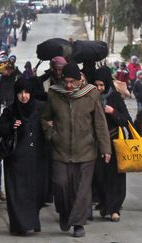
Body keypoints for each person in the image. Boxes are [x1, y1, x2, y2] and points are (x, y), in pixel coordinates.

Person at [41, 62, 111, 238]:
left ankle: (78, 223)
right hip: (60, 150)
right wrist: (51, 134)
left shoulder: (91, 94)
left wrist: (105, 148)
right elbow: (45, 118)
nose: (69, 85)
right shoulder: (54, 94)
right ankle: (65, 215)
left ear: (80, 80)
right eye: (66, 81)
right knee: (60, 185)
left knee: (82, 190)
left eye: (73, 81)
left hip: (86, 151)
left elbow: (100, 123)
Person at [0, 79, 48, 235]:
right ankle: (20, 225)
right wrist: (11, 126)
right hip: (16, 159)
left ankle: (33, 222)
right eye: (20, 93)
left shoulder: (41, 108)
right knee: (17, 193)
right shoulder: (11, 111)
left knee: (36, 192)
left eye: (26, 92)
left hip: (37, 158)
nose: (24, 96)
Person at [93, 66, 131, 222]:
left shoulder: (115, 98)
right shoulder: (90, 98)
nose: (99, 88)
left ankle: (115, 209)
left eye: (102, 85)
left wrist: (112, 112)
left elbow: (127, 120)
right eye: (96, 85)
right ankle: (104, 205)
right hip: (97, 144)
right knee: (99, 176)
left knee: (115, 177)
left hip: (115, 143)